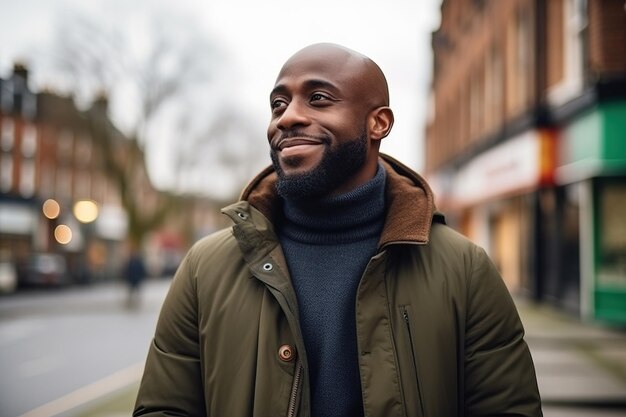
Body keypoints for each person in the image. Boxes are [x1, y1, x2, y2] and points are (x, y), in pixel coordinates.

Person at [134, 43, 542, 417]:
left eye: (319, 99)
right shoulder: (205, 269)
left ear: (378, 123)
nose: (288, 117)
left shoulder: (463, 270)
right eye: (278, 104)